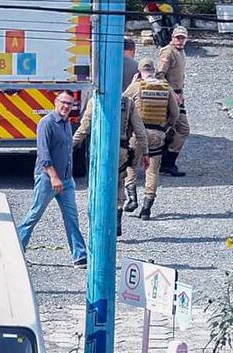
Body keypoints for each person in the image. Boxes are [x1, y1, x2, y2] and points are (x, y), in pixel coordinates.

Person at [16, 91, 87, 268]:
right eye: (63, 102)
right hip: (48, 179)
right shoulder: (46, 123)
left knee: (72, 218)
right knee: (34, 215)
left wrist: (67, 178)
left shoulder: (66, 124)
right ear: (55, 102)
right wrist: (54, 177)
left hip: (66, 180)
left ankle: (80, 256)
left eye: (69, 104)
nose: (66, 107)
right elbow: (44, 153)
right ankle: (16, 248)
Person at [73, 79, 147, 237]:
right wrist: (146, 152)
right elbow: (139, 130)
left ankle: (99, 221)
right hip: (121, 150)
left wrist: (71, 144)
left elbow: (85, 127)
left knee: (98, 184)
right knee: (119, 184)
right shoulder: (127, 103)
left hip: (100, 150)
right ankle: (117, 218)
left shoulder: (95, 100)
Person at [123, 59, 180, 221]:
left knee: (131, 165)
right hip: (157, 134)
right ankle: (146, 208)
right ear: (154, 70)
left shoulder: (136, 86)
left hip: (137, 134)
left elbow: (122, 103)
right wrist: (168, 126)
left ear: (140, 71)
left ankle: (132, 197)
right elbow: (175, 113)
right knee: (152, 170)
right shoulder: (165, 87)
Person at [156, 25, 190, 177]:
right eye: (178, 37)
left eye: (183, 38)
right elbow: (159, 76)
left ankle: (166, 162)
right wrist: (172, 94)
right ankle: (167, 163)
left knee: (171, 129)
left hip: (178, 95)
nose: (180, 40)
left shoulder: (180, 52)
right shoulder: (168, 52)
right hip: (169, 96)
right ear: (172, 38)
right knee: (182, 128)